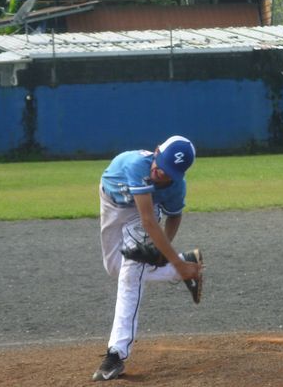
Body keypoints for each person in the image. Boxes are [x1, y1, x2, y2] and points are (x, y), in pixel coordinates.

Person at [92, 135, 203, 382]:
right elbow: (149, 222)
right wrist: (176, 262)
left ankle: (116, 353)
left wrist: (162, 250)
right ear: (156, 152)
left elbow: (171, 215)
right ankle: (185, 266)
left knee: (130, 276)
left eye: (169, 172)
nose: (160, 173)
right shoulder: (137, 166)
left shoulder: (176, 186)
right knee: (115, 268)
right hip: (111, 202)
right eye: (161, 165)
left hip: (142, 212)